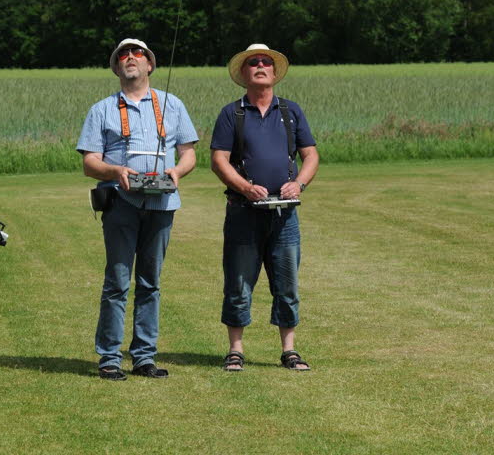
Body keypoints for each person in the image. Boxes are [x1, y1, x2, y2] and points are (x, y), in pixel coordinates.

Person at [77, 38, 198, 380]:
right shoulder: (101, 110)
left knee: (151, 281)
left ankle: (144, 356)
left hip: (162, 202)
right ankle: (110, 358)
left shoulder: (173, 104)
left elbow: (189, 153)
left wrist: (177, 171)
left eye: (138, 53)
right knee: (117, 280)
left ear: (149, 65)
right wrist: (115, 172)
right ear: (117, 68)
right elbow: (89, 162)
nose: (130, 58)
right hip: (120, 203)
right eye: (123, 55)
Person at [210, 44, 319, 372]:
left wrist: (298, 184)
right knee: (239, 283)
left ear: (274, 72)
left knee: (287, 283)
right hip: (243, 213)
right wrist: (245, 187)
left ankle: (289, 350)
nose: (260, 66)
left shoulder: (291, 111)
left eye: (265, 62)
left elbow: (310, 155)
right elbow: (218, 160)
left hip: (285, 214)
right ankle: (235, 350)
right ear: (243, 74)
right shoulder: (233, 114)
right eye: (253, 62)